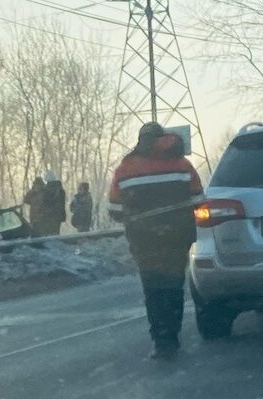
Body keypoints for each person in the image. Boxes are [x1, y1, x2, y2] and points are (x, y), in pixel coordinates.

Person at [108, 122, 203, 360]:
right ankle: (172, 334)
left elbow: (114, 210)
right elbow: (199, 200)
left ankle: (161, 340)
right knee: (173, 287)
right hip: (176, 238)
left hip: (144, 241)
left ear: (140, 139)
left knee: (153, 289)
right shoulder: (182, 164)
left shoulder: (126, 168)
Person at [40, 170, 66, 236]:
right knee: (54, 233)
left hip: (51, 215)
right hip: (56, 215)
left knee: (51, 234)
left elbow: (47, 202)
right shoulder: (59, 188)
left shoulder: (49, 189)